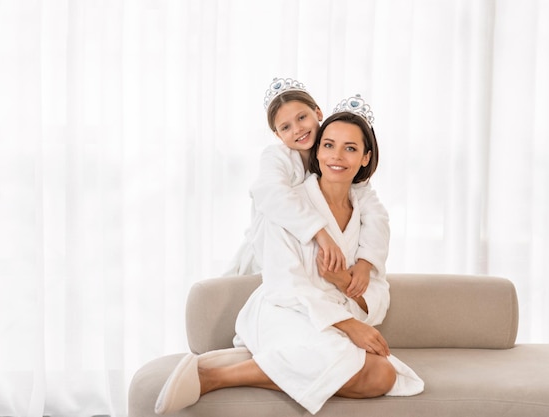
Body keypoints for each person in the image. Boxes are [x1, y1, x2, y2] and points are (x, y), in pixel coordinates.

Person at [155, 96, 424, 415]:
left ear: (366, 158)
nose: (336, 156)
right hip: (285, 309)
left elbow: (377, 290)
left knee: (383, 376)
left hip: (330, 318)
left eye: (350, 148)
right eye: (328, 145)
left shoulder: (367, 214)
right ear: (317, 150)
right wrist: (349, 324)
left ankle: (257, 367)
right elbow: (286, 284)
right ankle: (215, 377)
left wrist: (344, 281)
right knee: (365, 368)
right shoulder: (289, 206)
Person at [224, 78, 390, 299]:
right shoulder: (276, 157)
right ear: (277, 135)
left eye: (302, 117)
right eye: (286, 127)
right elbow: (273, 195)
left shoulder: (335, 158)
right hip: (270, 253)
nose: (298, 129)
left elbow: (376, 215)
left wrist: (366, 261)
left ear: (318, 112)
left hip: (313, 267)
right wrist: (321, 234)